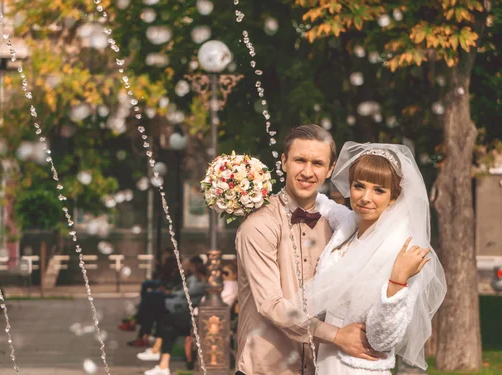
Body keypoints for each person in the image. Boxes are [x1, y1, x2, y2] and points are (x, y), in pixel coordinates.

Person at [235, 124, 389, 375]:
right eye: (299, 160)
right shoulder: (258, 226)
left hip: (321, 368)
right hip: (265, 369)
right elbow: (272, 306)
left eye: (317, 163)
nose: (307, 171)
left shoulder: (339, 225)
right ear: (283, 162)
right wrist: (338, 336)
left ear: (330, 169)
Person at [300, 142, 447, 374]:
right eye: (359, 186)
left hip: (360, 367)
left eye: (379, 190)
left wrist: (397, 280)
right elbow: (324, 205)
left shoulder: (401, 250)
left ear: (393, 198)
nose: (365, 198)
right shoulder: (348, 226)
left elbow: (382, 340)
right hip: (326, 360)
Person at [138, 255, 208, 375]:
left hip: (188, 311)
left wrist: (170, 293)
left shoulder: (198, 281)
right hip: (187, 310)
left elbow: (186, 294)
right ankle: (161, 362)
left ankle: (152, 345)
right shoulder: (195, 279)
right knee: (164, 320)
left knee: (161, 315)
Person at [126, 255, 182, 347]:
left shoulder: (184, 277)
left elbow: (181, 292)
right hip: (169, 298)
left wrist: (169, 292)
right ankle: (142, 333)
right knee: (150, 307)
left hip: (173, 301)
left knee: (150, 301)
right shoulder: (172, 273)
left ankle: (137, 323)